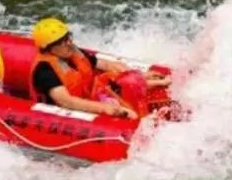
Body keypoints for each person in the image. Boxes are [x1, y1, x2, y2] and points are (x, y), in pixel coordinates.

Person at [28, 17, 170, 119]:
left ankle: (156, 94)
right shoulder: (45, 71)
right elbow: (67, 101)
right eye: (62, 41)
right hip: (72, 112)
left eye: (68, 37)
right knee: (129, 112)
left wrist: (139, 74)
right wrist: (104, 108)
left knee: (127, 80)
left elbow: (106, 65)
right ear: (48, 49)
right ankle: (143, 119)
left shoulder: (72, 52)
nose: (69, 43)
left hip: (91, 96)